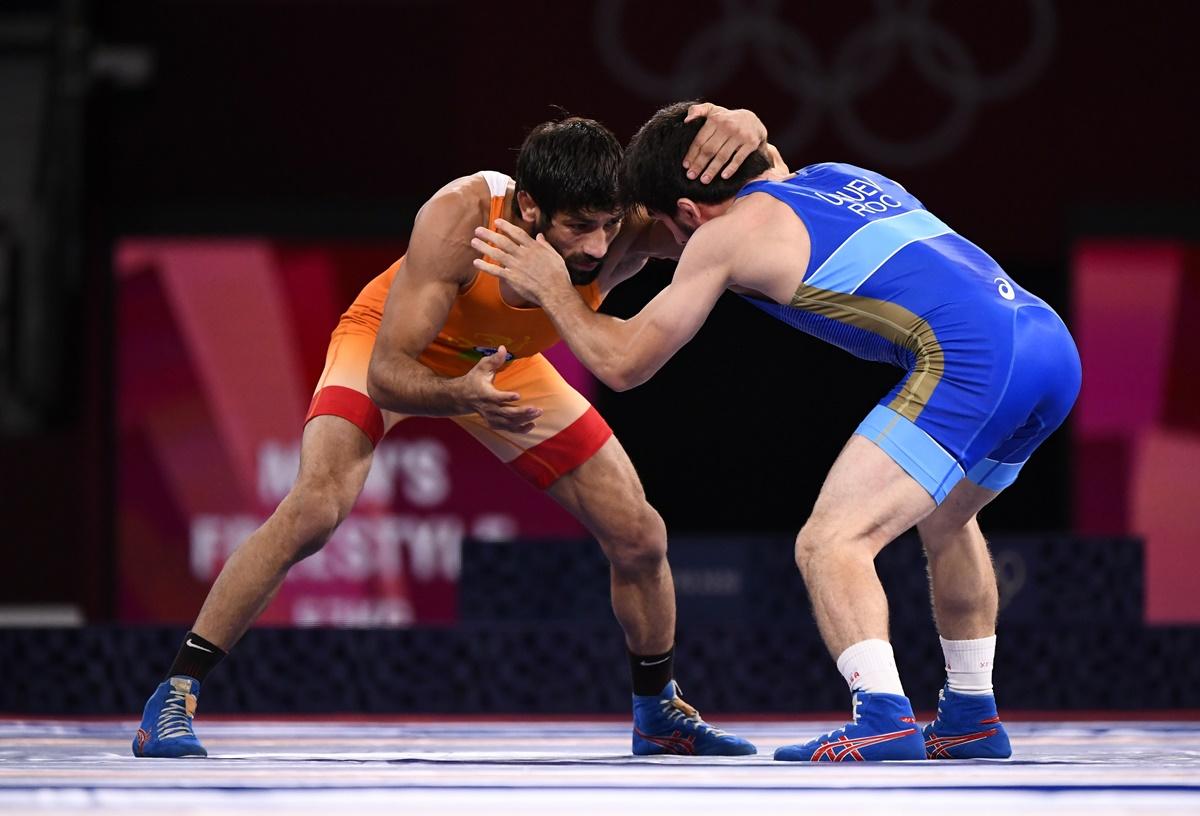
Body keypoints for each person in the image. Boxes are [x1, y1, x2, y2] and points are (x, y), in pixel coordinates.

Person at [132, 104, 769, 759]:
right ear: (528, 209)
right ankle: (173, 696)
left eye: (608, 225)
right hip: (398, 348)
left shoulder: (631, 227)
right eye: (578, 228)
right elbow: (386, 373)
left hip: (504, 362)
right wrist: (460, 394)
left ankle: (658, 711)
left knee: (639, 535)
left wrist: (752, 131)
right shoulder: (459, 220)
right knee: (316, 509)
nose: (597, 249)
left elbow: (765, 213)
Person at [474, 100, 1082, 762]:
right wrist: (745, 119)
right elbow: (767, 165)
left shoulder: (720, 235)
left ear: (686, 213)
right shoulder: (840, 174)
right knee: (947, 521)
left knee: (831, 543)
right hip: (1048, 344)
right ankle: (970, 716)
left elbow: (623, 365)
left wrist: (552, 289)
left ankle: (883, 716)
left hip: (975, 360)